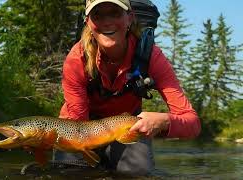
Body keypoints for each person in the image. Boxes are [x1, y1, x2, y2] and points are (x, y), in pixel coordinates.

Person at [54, 0, 201, 176]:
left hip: (127, 126)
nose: (107, 22)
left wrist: (164, 121)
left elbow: (193, 123)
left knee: (136, 171)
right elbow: (77, 126)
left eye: (115, 13)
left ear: (130, 18)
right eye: (98, 15)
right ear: (88, 22)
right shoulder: (76, 60)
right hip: (80, 126)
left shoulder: (151, 56)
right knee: (71, 172)